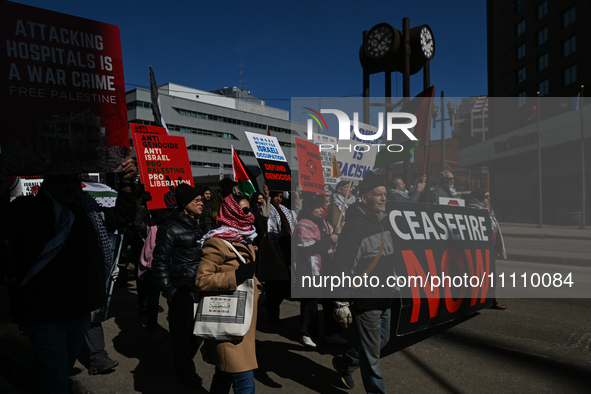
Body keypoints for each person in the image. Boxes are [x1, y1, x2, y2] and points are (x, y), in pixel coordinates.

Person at [0, 156, 137, 394]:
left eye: (75, 181)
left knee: (62, 370)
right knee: (55, 376)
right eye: (64, 181)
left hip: (79, 311)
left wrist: (127, 184)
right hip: (44, 313)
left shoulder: (88, 210)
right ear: (48, 182)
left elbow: (122, 217)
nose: (71, 187)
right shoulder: (26, 210)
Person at [331, 171, 394, 393]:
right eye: (378, 194)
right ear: (365, 198)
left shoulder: (382, 221)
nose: (384, 198)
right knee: (372, 358)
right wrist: (341, 301)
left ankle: (345, 362)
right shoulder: (355, 226)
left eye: (385, 194)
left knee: (379, 342)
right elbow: (342, 265)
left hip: (385, 296)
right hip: (366, 299)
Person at [196, 194, 259, 394]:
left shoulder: (245, 239)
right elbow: (202, 281)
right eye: (244, 210)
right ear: (231, 212)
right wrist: (237, 276)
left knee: (224, 376)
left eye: (249, 210)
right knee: (244, 383)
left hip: (242, 320)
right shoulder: (217, 243)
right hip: (227, 321)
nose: (249, 215)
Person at [152, 183, 205, 388]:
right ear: (184, 205)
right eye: (197, 201)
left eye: (201, 200)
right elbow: (160, 261)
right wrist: (170, 291)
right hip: (181, 291)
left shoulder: (198, 225)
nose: (201, 203)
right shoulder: (169, 227)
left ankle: (184, 365)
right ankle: (184, 372)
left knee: (198, 334)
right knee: (182, 336)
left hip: (200, 289)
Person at [294, 195, 346, 348]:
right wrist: (330, 239)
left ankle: (331, 333)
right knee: (310, 303)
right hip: (310, 271)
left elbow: (333, 241)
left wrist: (337, 233)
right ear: (309, 209)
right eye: (317, 207)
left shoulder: (324, 223)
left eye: (321, 207)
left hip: (327, 268)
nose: (320, 210)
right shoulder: (303, 224)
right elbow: (307, 248)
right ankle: (307, 333)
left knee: (330, 302)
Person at [257, 190, 295, 326]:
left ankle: (270, 305)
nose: (278, 199)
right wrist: (266, 198)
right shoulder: (266, 209)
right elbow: (265, 215)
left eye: (280, 196)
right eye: (275, 196)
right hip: (272, 249)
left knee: (285, 283)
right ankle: (273, 316)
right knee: (273, 284)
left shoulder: (284, 210)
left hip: (285, 250)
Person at [468, 188, 507, 310]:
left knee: (490, 276)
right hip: (478, 249)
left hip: (490, 247)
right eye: (486, 196)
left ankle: (491, 301)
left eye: (489, 196)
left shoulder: (489, 210)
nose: (489, 198)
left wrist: (496, 248)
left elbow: (494, 231)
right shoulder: (473, 210)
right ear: (479, 197)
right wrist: (480, 215)